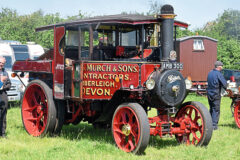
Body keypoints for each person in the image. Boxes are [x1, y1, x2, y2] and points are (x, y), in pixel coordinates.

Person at [207, 61, 227, 130]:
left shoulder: (210, 73)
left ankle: (208, 124)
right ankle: (214, 126)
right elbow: (224, 84)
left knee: (211, 108)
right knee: (216, 109)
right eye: (221, 66)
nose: (222, 68)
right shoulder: (218, 74)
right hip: (216, 93)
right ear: (219, 67)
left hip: (209, 93)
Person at [0, 56, 11, 138]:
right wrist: (1, 81)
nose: (1, 65)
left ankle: (3, 133)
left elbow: (9, 84)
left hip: (3, 94)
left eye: (2, 63)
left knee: (4, 114)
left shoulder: (5, 73)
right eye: (0, 63)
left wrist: (3, 87)